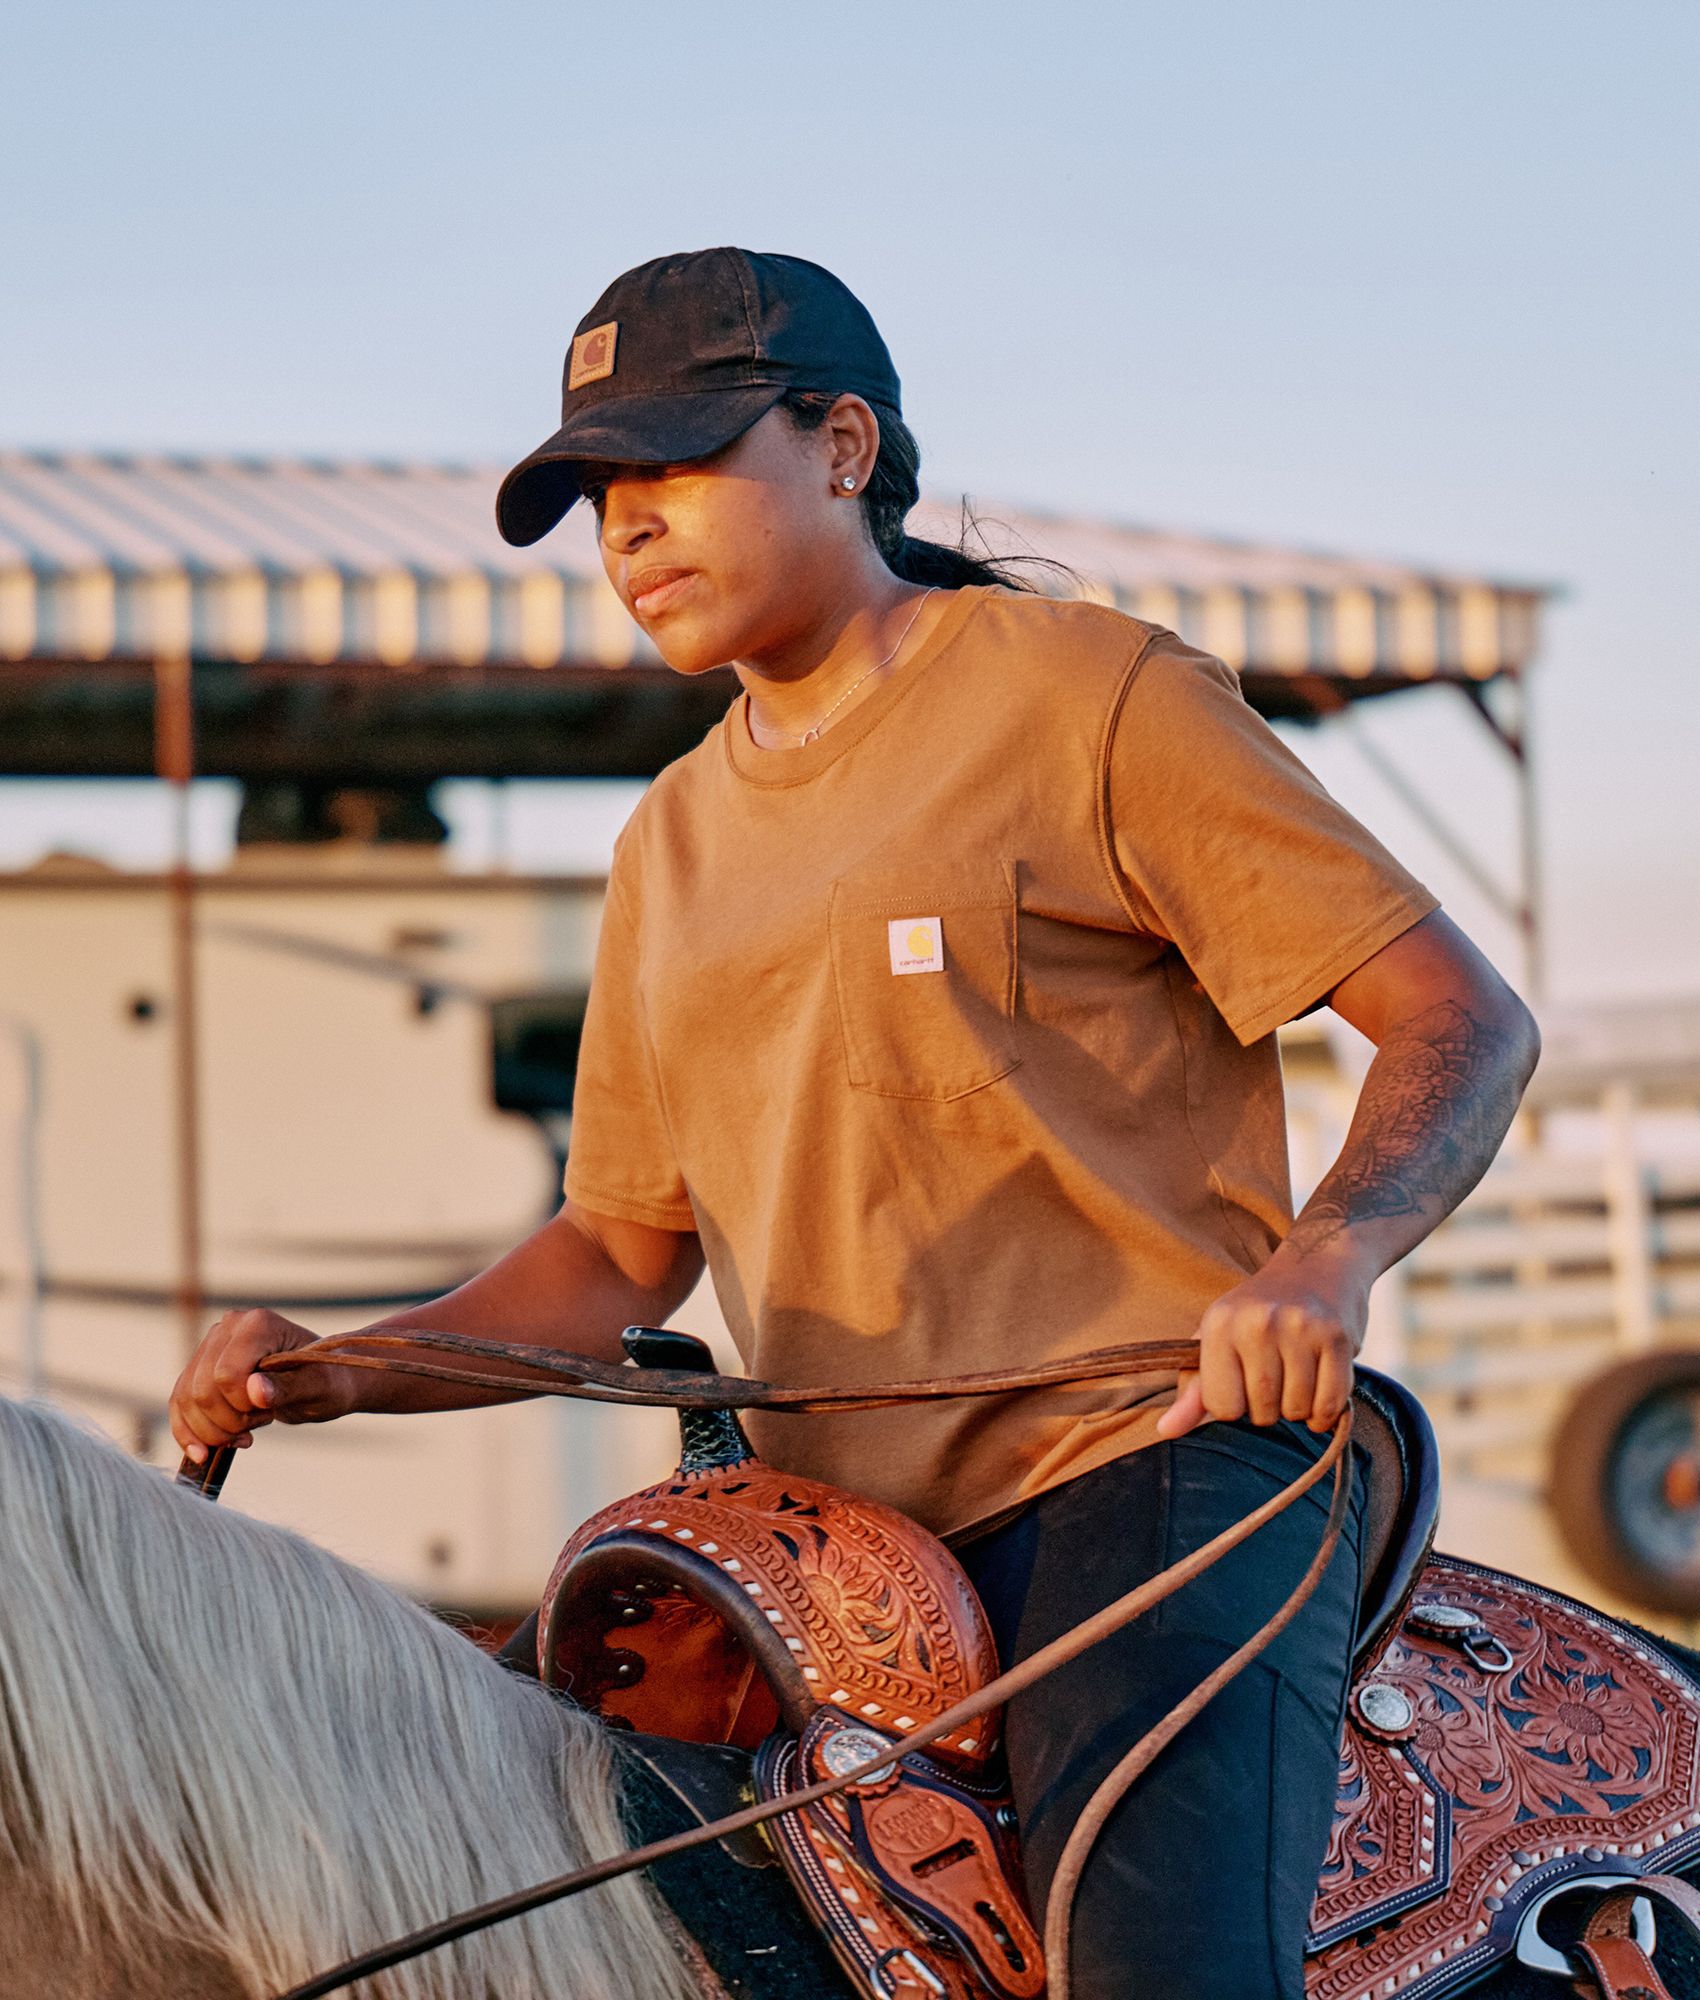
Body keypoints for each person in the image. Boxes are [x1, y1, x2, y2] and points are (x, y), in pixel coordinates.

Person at [169, 247, 1541, 2000]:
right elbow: (616, 1253)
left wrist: (1328, 1257)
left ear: (841, 447)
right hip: (823, 1555)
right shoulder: (669, 845)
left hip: (1151, 1466)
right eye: (598, 498)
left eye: (676, 466)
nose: (628, 529)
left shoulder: (1091, 698)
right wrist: (351, 1368)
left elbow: (1461, 1018)